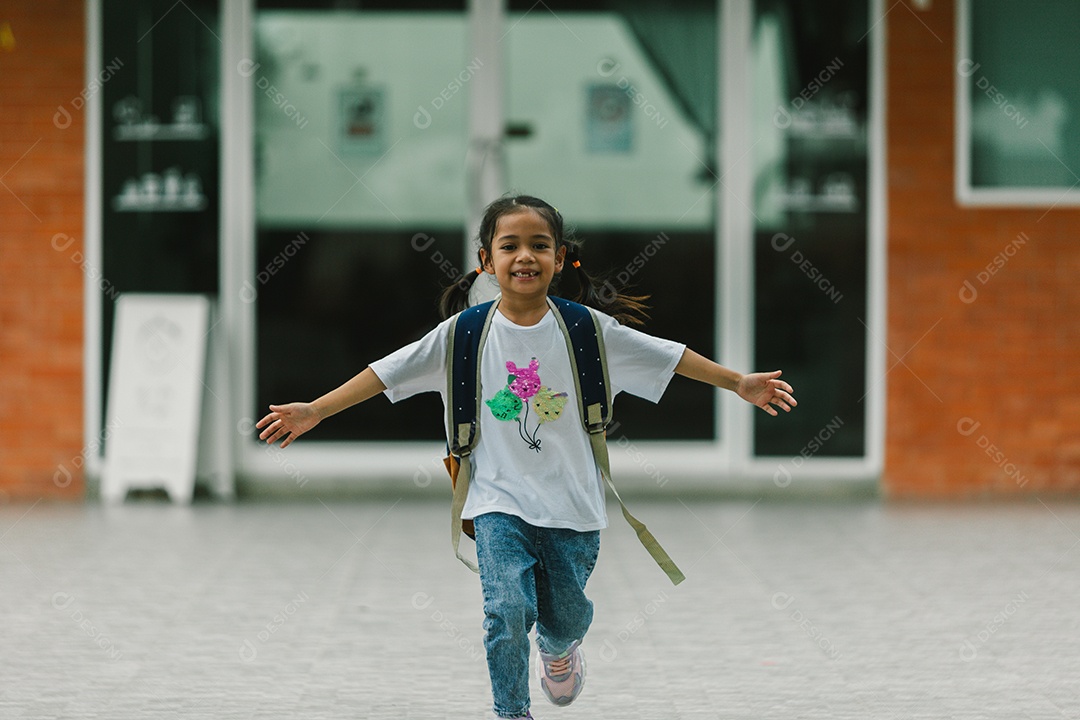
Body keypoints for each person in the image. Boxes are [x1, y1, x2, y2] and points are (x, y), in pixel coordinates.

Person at [256, 195, 796, 719]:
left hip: (573, 507)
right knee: (506, 611)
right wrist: (317, 410)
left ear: (559, 259)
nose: (524, 256)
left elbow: (670, 357)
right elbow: (386, 373)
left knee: (563, 618)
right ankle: (511, 712)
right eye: (509, 245)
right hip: (495, 501)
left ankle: (560, 649)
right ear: (486, 262)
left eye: (539, 245)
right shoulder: (463, 334)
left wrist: (738, 382)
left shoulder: (587, 329)